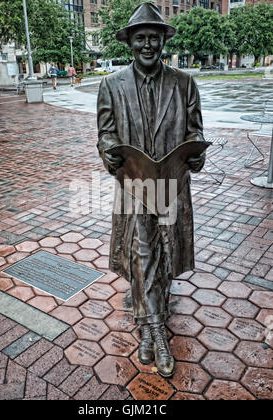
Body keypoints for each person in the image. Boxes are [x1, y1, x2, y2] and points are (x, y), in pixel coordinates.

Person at [97, 2, 206, 378]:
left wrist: (196, 154)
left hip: (171, 183)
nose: (148, 45)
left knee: (166, 251)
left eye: (154, 38)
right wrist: (109, 154)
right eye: (140, 38)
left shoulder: (184, 83)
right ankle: (156, 331)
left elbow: (195, 131)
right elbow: (106, 133)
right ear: (130, 43)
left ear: (163, 41)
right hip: (134, 182)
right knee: (143, 253)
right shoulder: (111, 85)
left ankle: (150, 319)